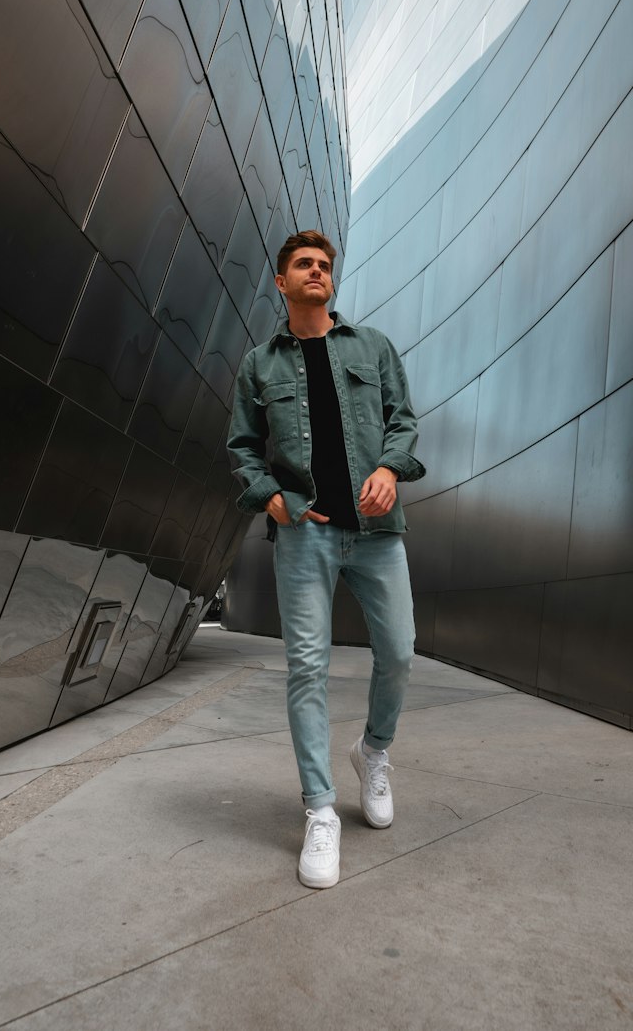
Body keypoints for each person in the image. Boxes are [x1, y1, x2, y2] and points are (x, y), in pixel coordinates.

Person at [227, 230, 425, 888]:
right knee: (306, 668)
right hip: (305, 534)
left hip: (376, 533)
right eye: (304, 265)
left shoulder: (371, 347)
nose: (318, 271)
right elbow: (242, 447)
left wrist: (393, 470)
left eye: (325, 264)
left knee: (398, 651)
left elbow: (403, 420)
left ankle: (373, 750)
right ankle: (318, 811)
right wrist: (272, 499)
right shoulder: (259, 365)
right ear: (281, 284)